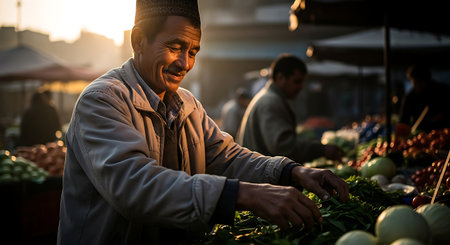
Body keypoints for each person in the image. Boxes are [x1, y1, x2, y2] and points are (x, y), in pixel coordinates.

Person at [57, 1, 349, 244]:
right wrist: (243, 194)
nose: (185, 63)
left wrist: (292, 172)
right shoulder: (102, 100)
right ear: (138, 41)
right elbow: (136, 187)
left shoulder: (186, 103)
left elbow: (228, 157)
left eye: (193, 51)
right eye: (175, 47)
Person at [237, 54, 344, 163]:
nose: (301, 87)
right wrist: (320, 150)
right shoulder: (270, 102)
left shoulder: (270, 97)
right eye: (297, 81)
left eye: (302, 82)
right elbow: (281, 146)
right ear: (280, 78)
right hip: (258, 177)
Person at [395, 64, 450, 138]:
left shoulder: (442, 91)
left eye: (420, 81)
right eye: (415, 82)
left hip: (443, 135)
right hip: (419, 136)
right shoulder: (409, 97)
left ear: (427, 80)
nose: (418, 85)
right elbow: (403, 121)